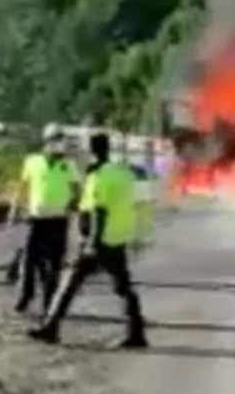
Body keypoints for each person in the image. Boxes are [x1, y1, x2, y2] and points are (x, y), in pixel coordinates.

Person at [29, 130, 148, 349]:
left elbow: (98, 211)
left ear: (92, 151)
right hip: (118, 235)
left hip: (99, 240)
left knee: (69, 283)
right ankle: (137, 332)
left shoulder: (98, 176)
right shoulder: (122, 172)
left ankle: (50, 327)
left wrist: (92, 243)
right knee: (123, 286)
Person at [7, 124, 80, 315]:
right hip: (37, 218)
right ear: (46, 142)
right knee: (29, 259)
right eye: (56, 140)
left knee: (54, 265)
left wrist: (73, 205)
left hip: (58, 220)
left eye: (61, 141)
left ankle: (49, 303)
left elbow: (76, 190)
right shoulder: (32, 161)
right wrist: (14, 209)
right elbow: (22, 187)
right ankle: (26, 294)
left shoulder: (68, 165)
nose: (59, 145)